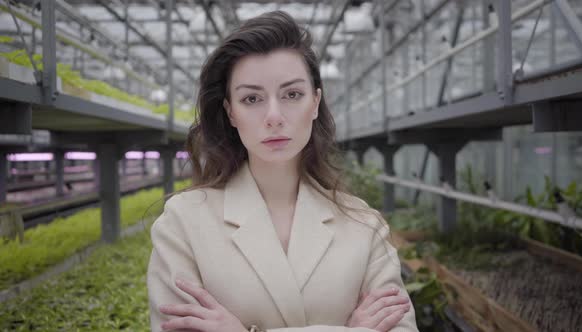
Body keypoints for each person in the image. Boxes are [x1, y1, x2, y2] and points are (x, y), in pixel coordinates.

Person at [147, 10, 419, 332]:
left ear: (315, 102)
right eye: (252, 98)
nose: (274, 116)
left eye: (292, 94)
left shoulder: (365, 226)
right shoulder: (183, 223)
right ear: (230, 112)